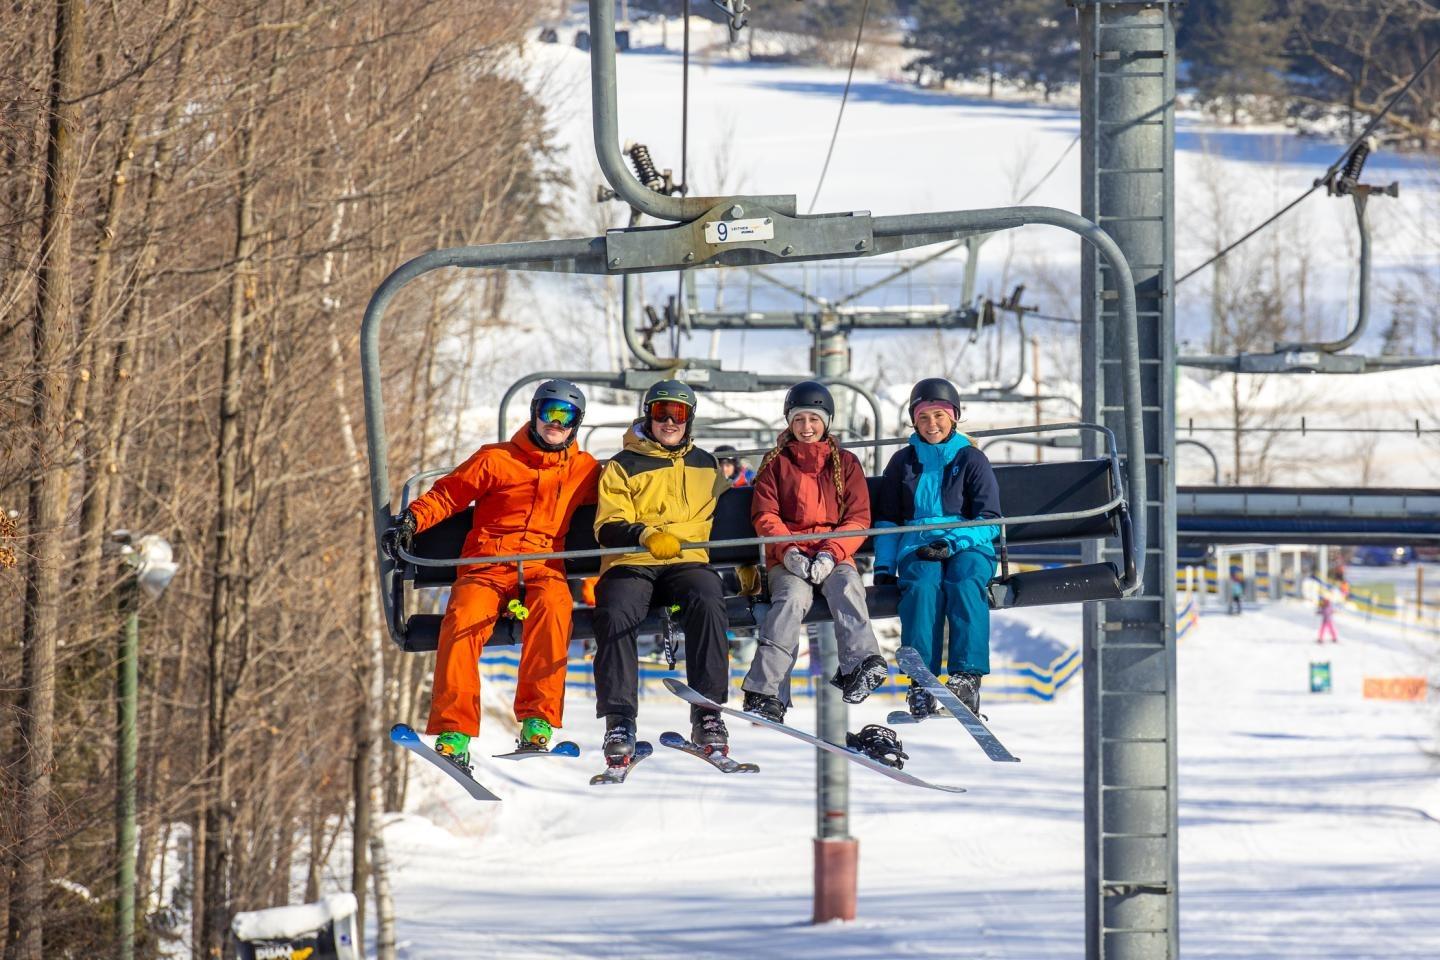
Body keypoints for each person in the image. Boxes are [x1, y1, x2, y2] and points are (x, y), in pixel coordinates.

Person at [381, 380, 601, 771]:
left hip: (543, 566)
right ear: (534, 412)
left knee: (555, 608)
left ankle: (538, 720)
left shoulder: (584, 470)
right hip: (486, 566)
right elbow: (449, 494)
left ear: (576, 424)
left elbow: (622, 495)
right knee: (463, 620)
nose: (554, 422)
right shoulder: (496, 459)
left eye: (565, 416)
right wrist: (411, 520)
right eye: (548, 410)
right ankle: (454, 731)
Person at [591, 380, 733, 766]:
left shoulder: (706, 465)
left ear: (690, 419)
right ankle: (619, 718)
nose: (670, 421)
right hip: (633, 561)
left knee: (708, 595)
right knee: (615, 610)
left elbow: (735, 516)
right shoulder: (621, 465)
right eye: (661, 413)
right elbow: (607, 525)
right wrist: (646, 534)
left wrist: (751, 565)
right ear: (647, 416)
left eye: (679, 414)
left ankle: (707, 711)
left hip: (686, 561)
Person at [739, 381, 888, 724]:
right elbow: (765, 515)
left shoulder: (845, 464)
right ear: (789, 423)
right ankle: (766, 690)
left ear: (827, 422)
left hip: (831, 553)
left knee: (847, 586)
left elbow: (858, 517)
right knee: (790, 600)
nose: (807, 428)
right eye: (799, 419)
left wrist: (832, 553)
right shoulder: (776, 464)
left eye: (814, 420)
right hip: (787, 557)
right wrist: (789, 551)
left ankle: (861, 664)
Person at [874, 377, 1000, 719]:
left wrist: (954, 541)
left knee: (965, 580)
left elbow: (989, 519)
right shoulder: (902, 462)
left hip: (970, 544)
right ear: (914, 420)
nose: (932, 424)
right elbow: (887, 522)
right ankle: (922, 681)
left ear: (954, 417)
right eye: (924, 417)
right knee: (921, 586)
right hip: (918, 542)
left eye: (939, 416)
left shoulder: (971, 459)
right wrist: (884, 568)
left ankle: (966, 677)